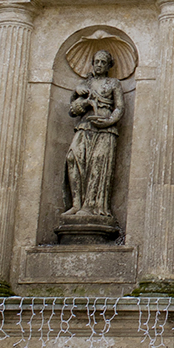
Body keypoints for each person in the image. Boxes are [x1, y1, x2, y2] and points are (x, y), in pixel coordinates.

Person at [62, 49, 124, 224]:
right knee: (73, 157)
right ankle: (76, 204)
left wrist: (109, 121)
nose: (99, 65)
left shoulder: (113, 84)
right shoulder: (85, 85)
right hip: (85, 125)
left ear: (108, 65)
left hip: (105, 129)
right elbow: (72, 110)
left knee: (97, 162)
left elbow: (119, 107)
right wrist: (81, 99)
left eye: (103, 62)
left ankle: (91, 206)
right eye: (96, 61)